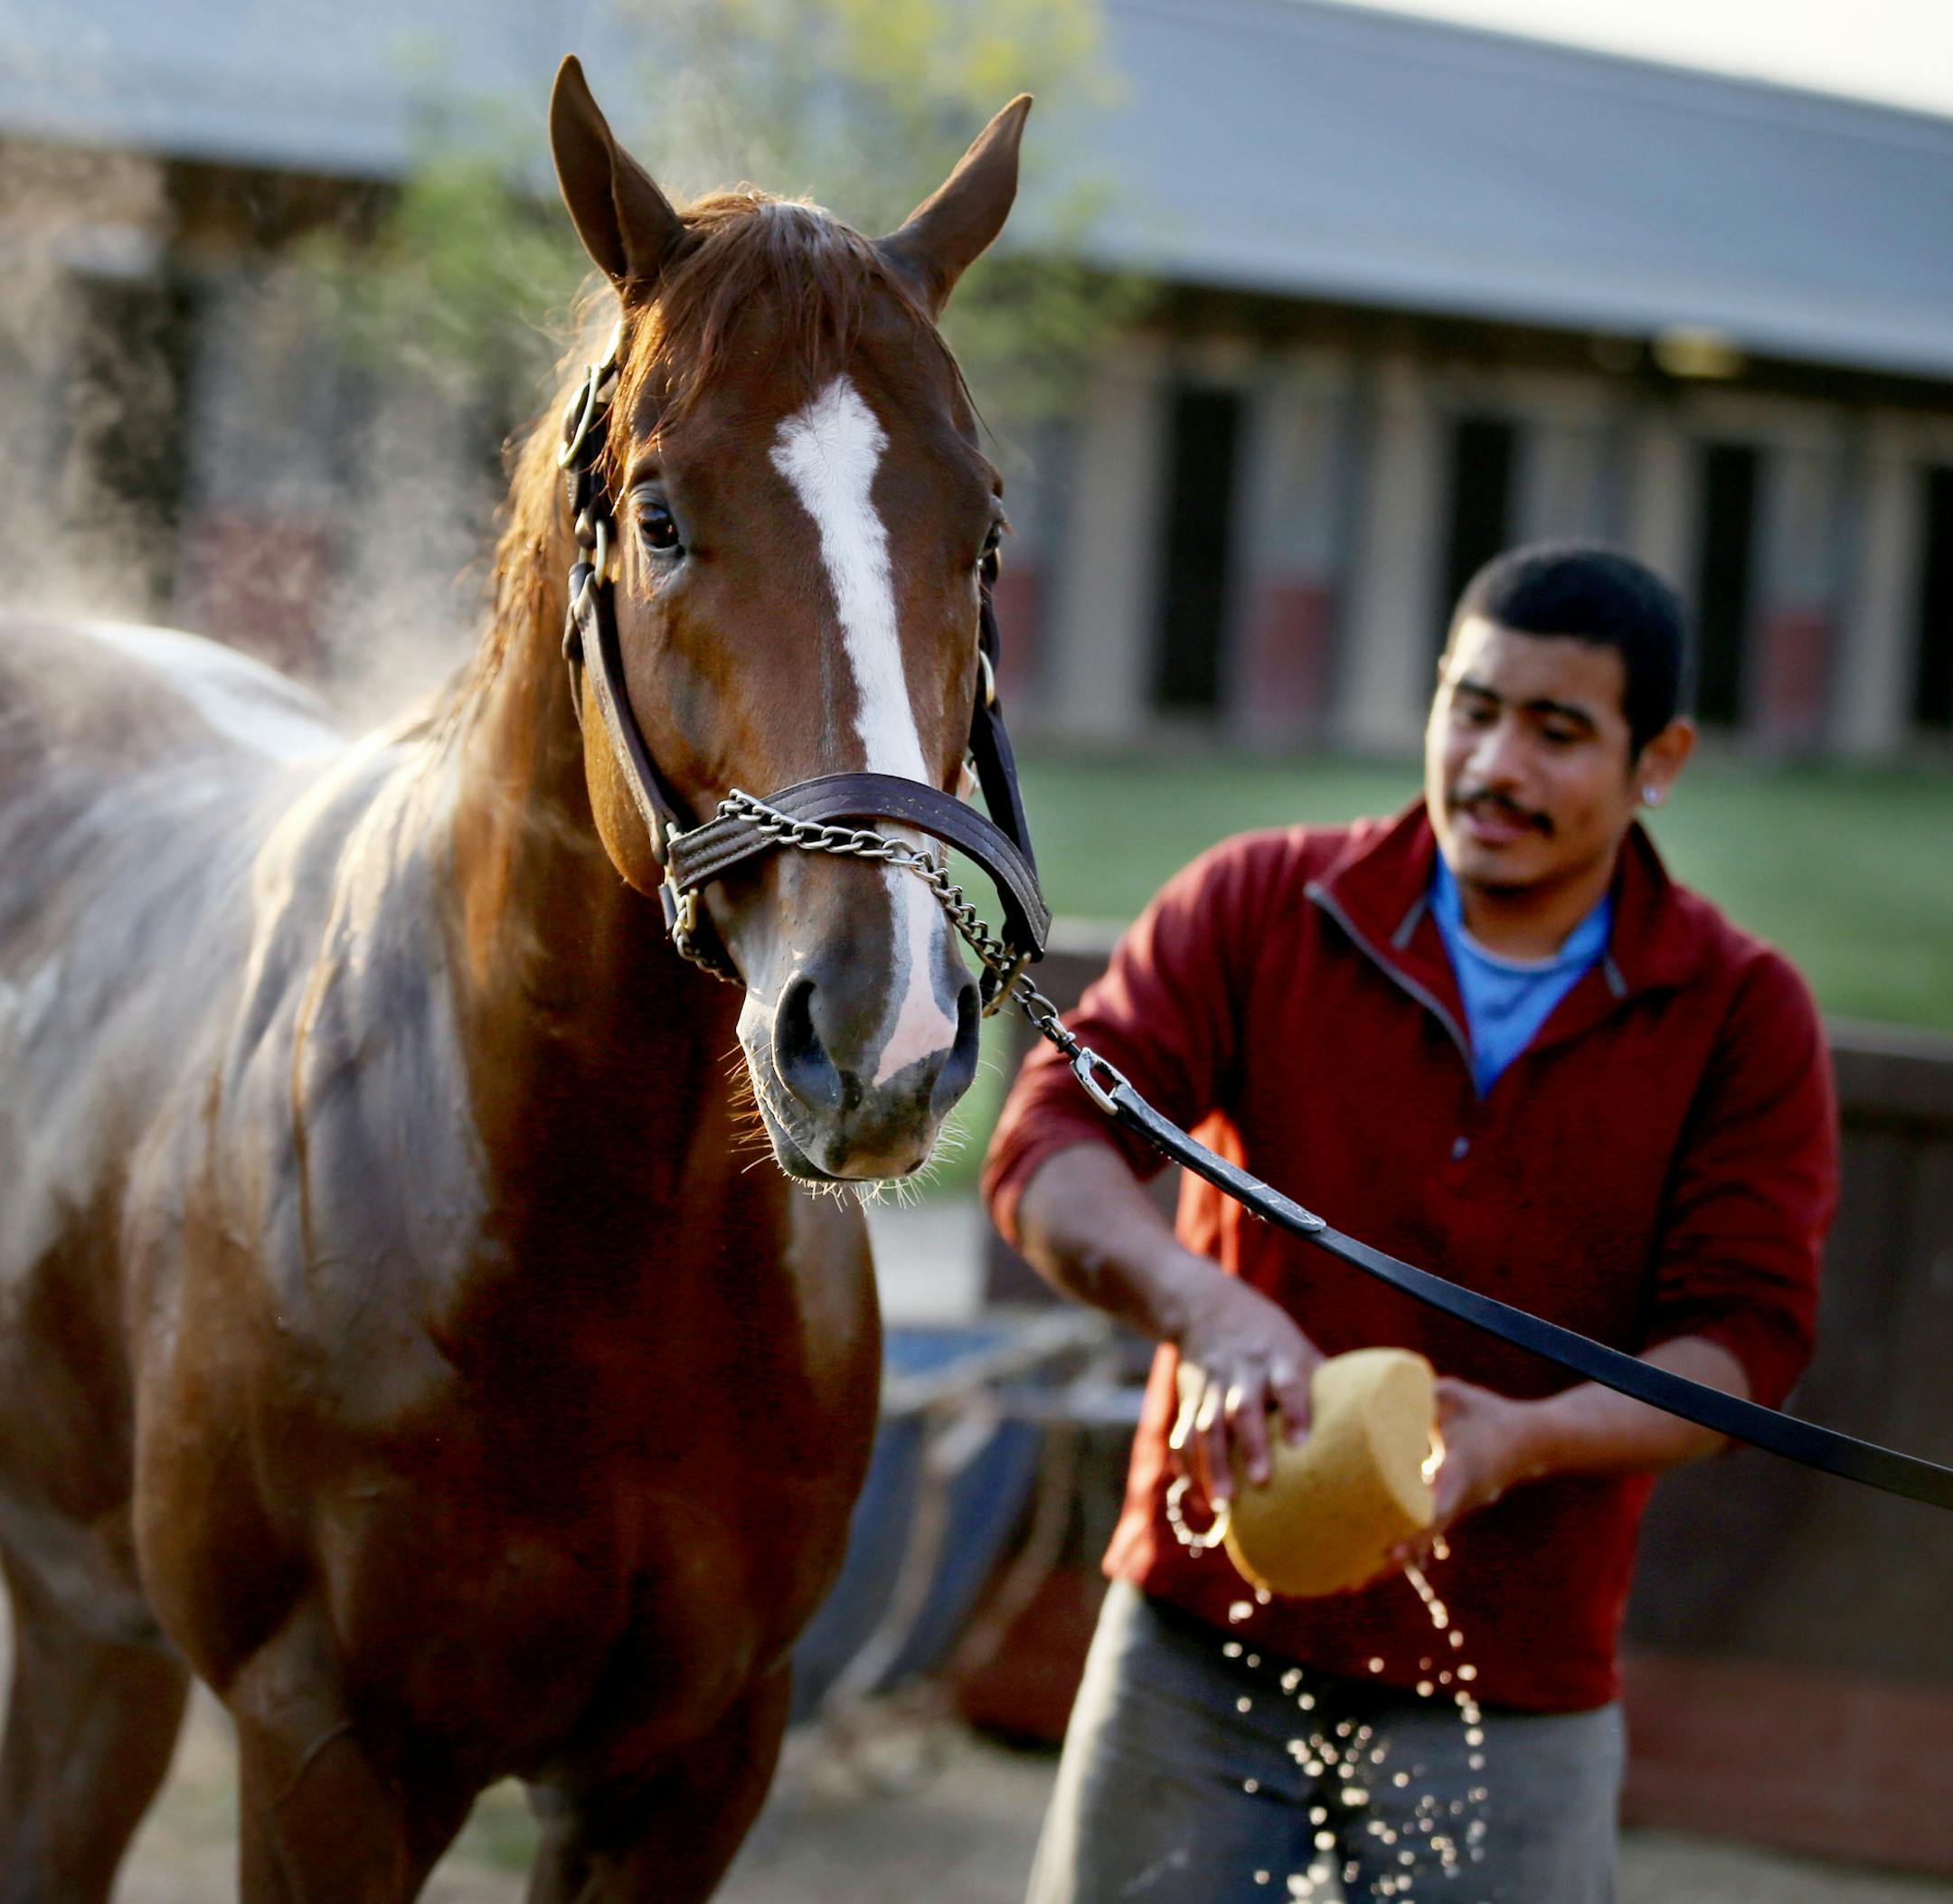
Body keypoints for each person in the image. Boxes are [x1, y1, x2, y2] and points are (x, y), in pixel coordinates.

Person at [981, 543, 1838, 1904]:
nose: (1494, 765)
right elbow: (1048, 1142)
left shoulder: (1744, 1015)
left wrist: (1525, 1440)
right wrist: (1205, 1306)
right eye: (1472, 706)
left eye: (1557, 733)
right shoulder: (1259, 899)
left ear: (1658, 760)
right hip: (1201, 1644)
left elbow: (1745, 1347)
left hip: (1516, 1692)